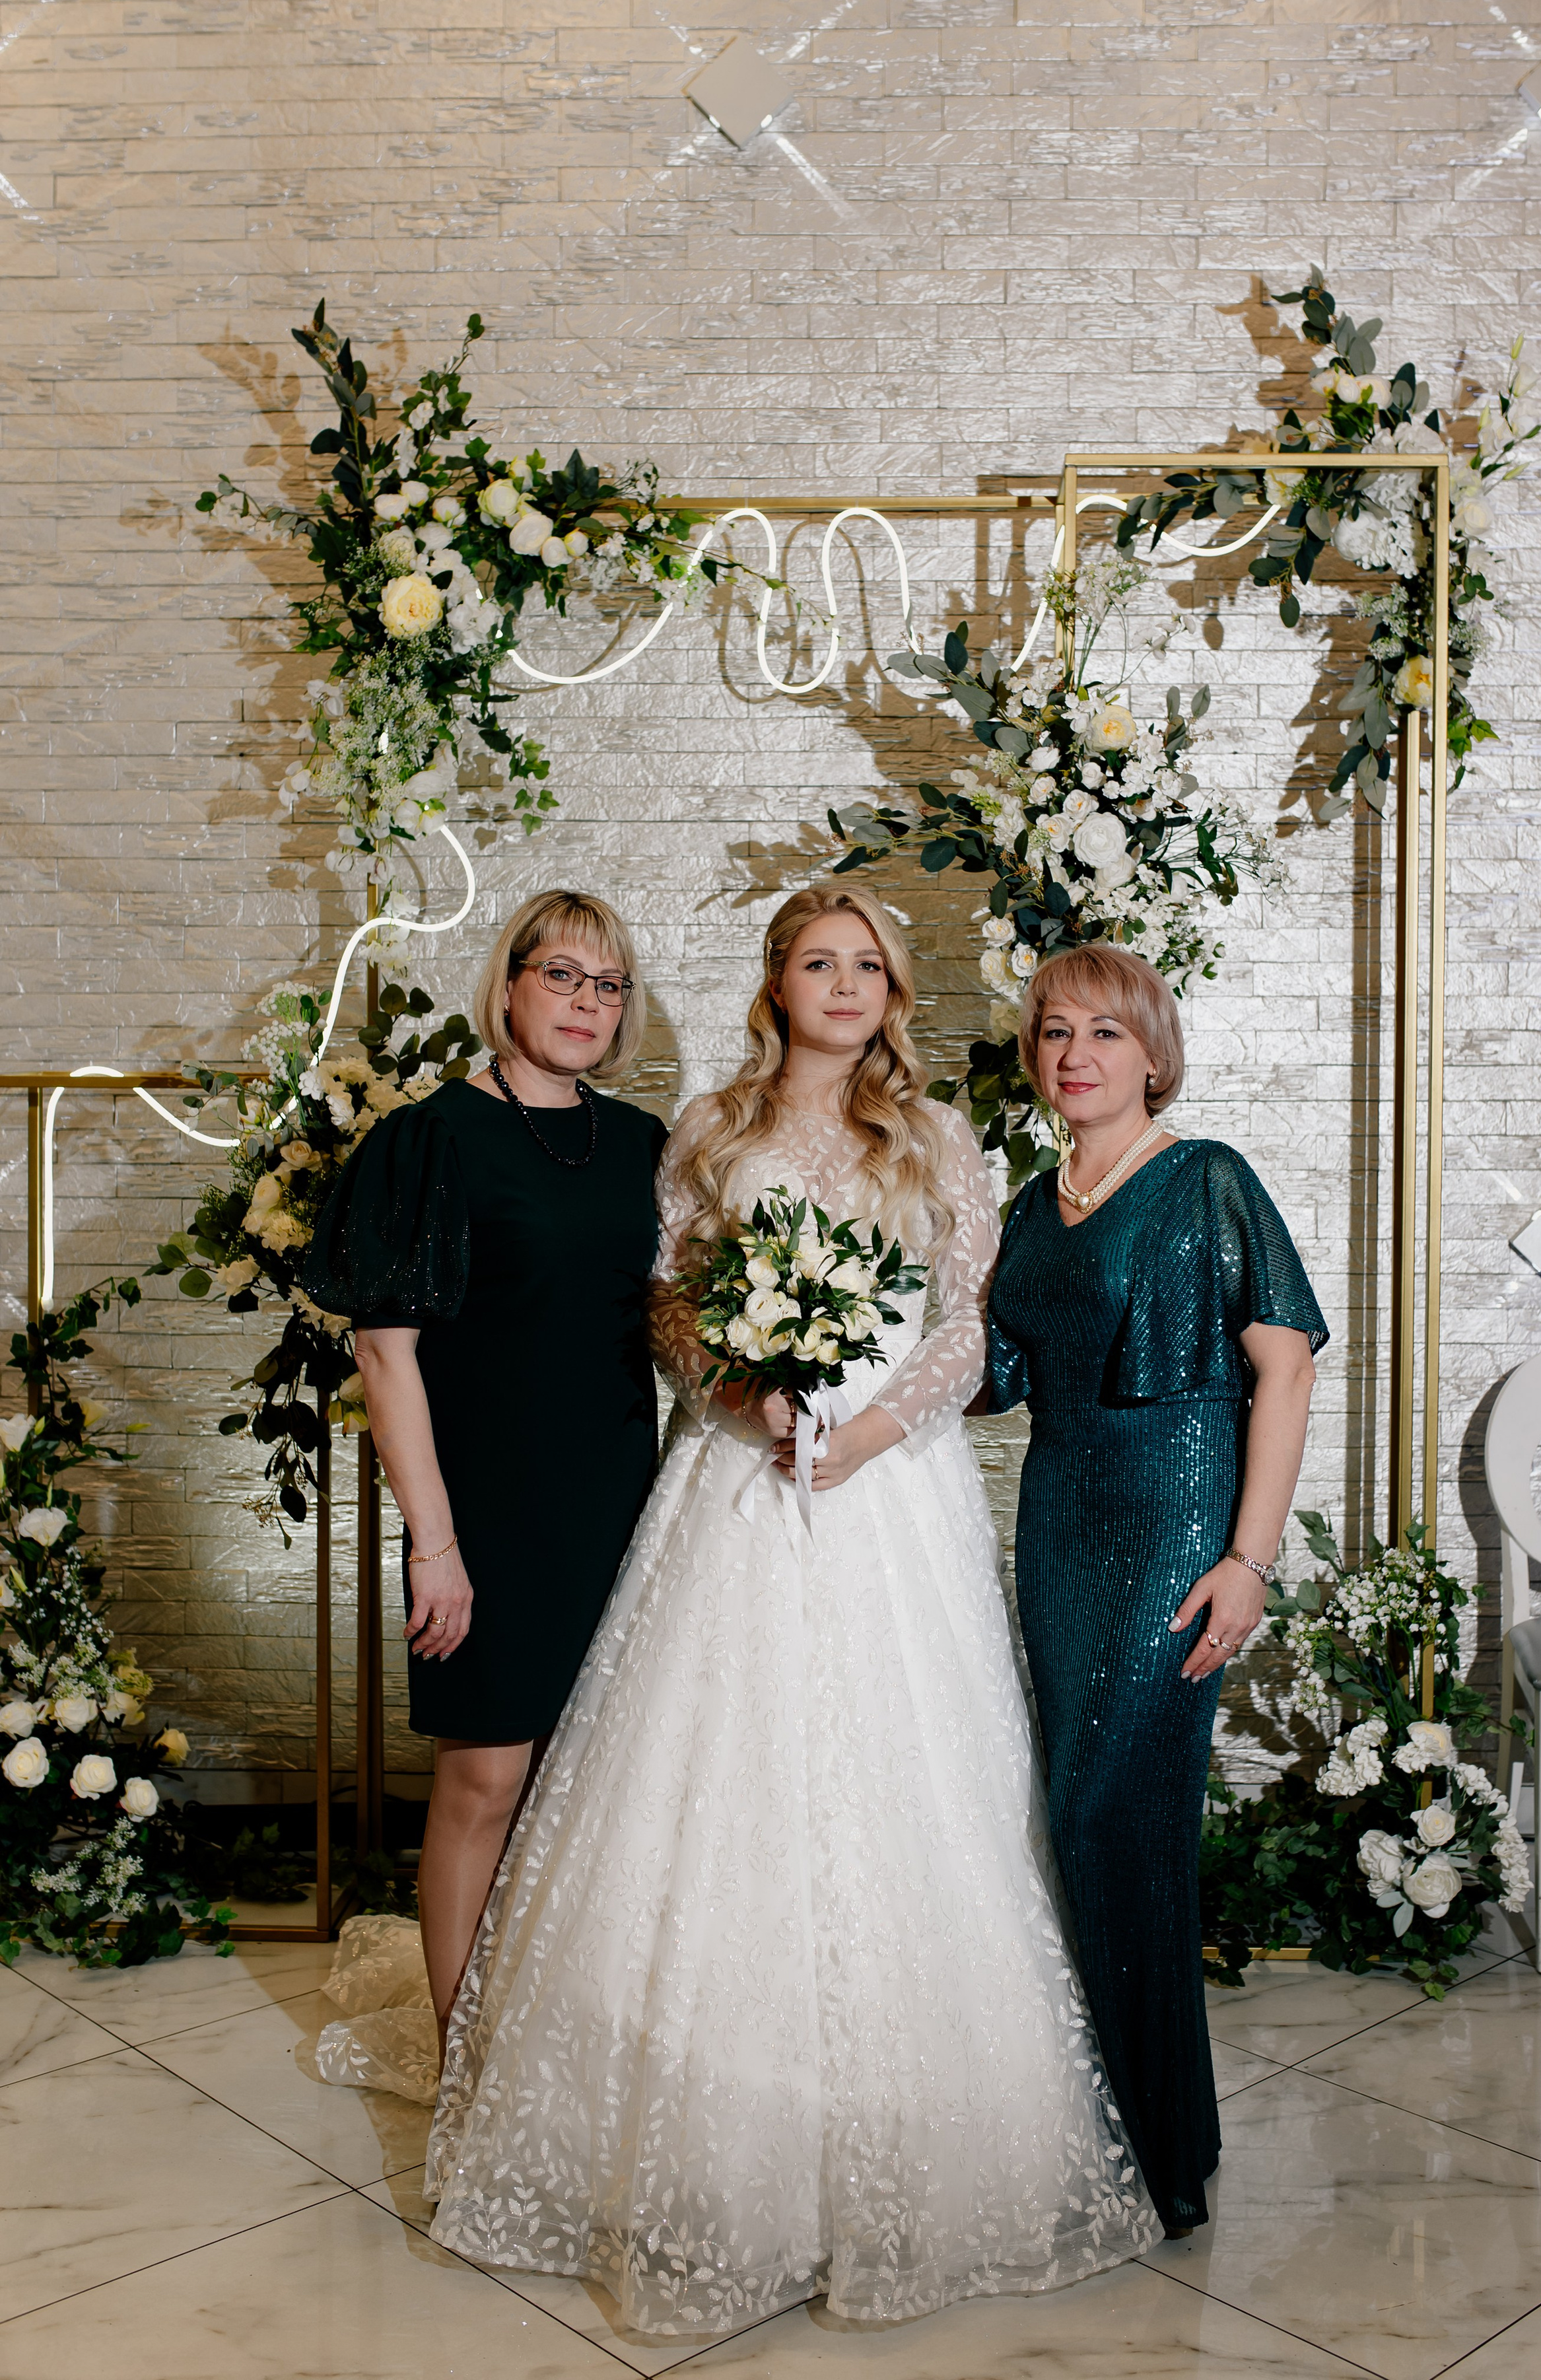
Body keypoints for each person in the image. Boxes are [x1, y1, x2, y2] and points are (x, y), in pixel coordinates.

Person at [423, 882, 1159, 2334]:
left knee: (903, 1785)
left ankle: (905, 2126)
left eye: (867, 965)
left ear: (893, 993)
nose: (843, 984)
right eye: (817, 962)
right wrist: (744, 1393)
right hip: (738, 1475)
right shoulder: (712, 1127)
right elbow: (669, 1303)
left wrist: (866, 1430)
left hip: (890, 1490)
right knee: (722, 1781)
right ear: (777, 984)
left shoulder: (936, 1133)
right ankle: (710, 2125)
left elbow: (966, 1324)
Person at [979, 942, 1326, 2237]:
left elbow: (1285, 1369)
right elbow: (990, 1378)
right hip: (1058, 1526)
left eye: (1106, 1033)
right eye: (1055, 1032)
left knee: (1108, 1814)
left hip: (1178, 1524)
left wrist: (1248, 1559)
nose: (1076, 1054)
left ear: (1153, 1053)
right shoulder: (1030, 1204)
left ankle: (1151, 2151)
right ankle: (1145, 2123)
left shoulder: (1206, 1177)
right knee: (1087, 1817)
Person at [303, 890, 668, 2058]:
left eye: (607, 985)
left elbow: (670, 1322)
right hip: (490, 1507)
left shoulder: (642, 1145)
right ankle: (468, 2056)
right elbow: (385, 1354)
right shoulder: (434, 1138)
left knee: (587, 1785)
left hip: (621, 1500)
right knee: (486, 1781)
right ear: (508, 985)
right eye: (561, 975)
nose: (585, 1003)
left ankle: (554, 2038)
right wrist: (435, 1544)